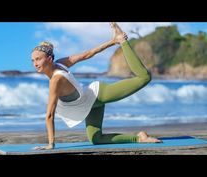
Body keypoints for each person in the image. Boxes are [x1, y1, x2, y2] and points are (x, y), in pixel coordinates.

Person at [31, 22, 162, 150]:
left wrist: (51, 144)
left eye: (38, 59)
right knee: (96, 139)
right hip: (88, 105)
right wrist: (111, 41)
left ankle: (123, 42)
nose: (35, 63)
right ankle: (139, 137)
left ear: (49, 59)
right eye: (33, 60)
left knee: (144, 78)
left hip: (98, 95)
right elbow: (88, 54)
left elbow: (49, 115)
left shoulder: (56, 79)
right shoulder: (60, 64)